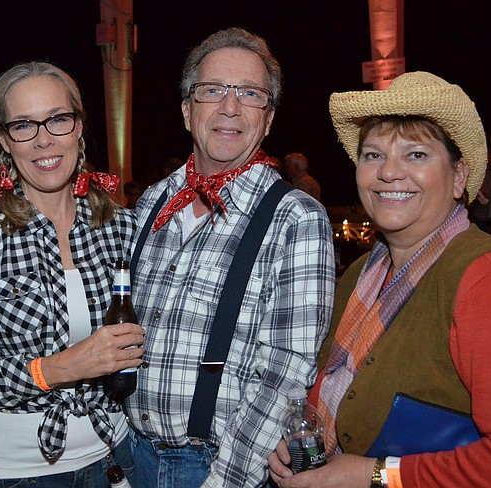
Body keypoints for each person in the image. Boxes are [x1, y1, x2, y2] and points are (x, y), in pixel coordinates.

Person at [269, 71, 491, 487]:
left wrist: (375, 475)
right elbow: (335, 386)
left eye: (416, 154)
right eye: (373, 155)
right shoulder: (360, 276)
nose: (388, 173)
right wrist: (303, 442)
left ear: (459, 177)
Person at [126, 27, 335, 488]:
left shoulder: (296, 217)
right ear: (186, 110)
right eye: (213, 90)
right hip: (129, 455)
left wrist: (226, 482)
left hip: (213, 468)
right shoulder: (152, 203)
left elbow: (284, 374)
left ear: (269, 118)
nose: (230, 106)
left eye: (250, 93)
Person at [0, 61, 141, 487]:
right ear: (4, 141)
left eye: (58, 119)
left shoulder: (122, 228)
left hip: (117, 455)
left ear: (78, 128)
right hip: (20, 473)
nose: (44, 139)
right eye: (24, 125)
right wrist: (56, 368)